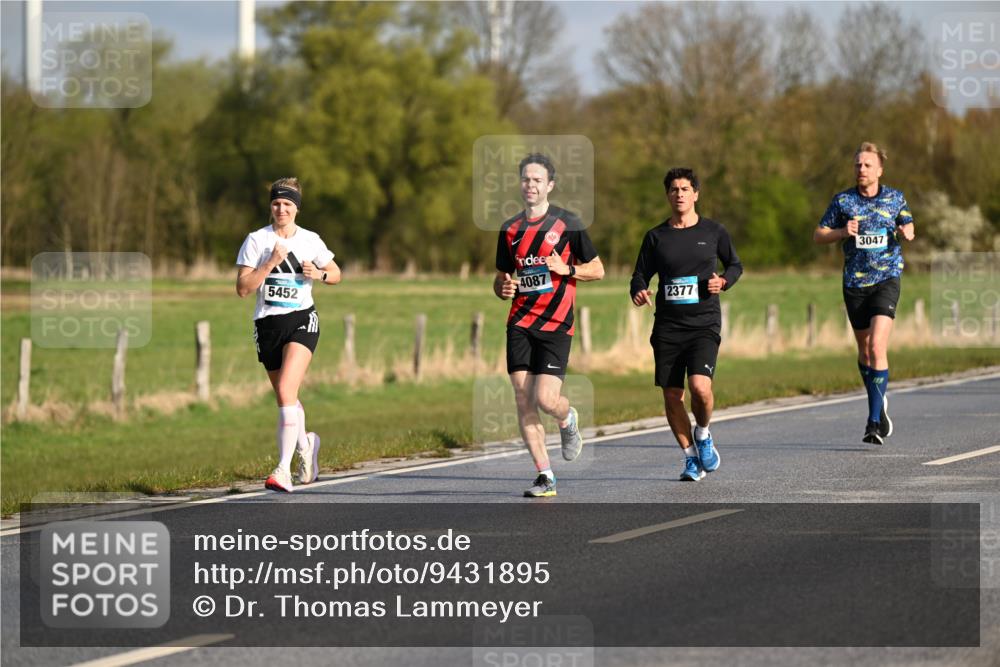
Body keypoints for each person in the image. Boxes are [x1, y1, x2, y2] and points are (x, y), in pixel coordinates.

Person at [494, 153, 604, 497]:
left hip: (556, 324)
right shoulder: (509, 229)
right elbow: (501, 279)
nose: (531, 185)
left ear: (550, 185)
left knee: (545, 398)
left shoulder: (568, 224)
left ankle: (567, 417)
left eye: (538, 180)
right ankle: (545, 475)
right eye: (526, 179)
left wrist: (566, 270)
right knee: (522, 398)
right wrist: (503, 288)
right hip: (520, 323)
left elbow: (598, 269)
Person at [630, 168, 743, 482]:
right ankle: (691, 458)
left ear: (696, 194)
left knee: (700, 388)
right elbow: (640, 274)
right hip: (667, 326)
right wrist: (638, 291)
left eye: (684, 189)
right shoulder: (656, 237)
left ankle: (703, 432)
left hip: (703, 323)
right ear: (667, 195)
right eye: (673, 189)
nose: (679, 194)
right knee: (671, 396)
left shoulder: (714, 232)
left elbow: (735, 265)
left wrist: (724, 280)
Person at [236, 177, 341, 492]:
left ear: (296, 208)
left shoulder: (310, 240)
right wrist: (270, 262)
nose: (281, 209)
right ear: (271, 206)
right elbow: (243, 289)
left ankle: (282, 469)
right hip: (267, 325)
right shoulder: (257, 240)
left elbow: (336, 274)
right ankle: (307, 446)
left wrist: (320, 274)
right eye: (277, 203)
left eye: (288, 204)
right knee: (287, 397)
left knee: (285, 389)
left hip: (301, 319)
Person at [814, 142, 915, 445]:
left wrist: (906, 231)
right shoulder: (843, 201)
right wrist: (842, 232)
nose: (861, 169)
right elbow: (818, 235)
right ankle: (878, 399)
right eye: (858, 164)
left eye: (867, 165)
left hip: (886, 278)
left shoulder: (895, 198)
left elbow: (908, 223)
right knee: (864, 350)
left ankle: (873, 423)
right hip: (855, 284)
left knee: (876, 345)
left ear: (879, 170)